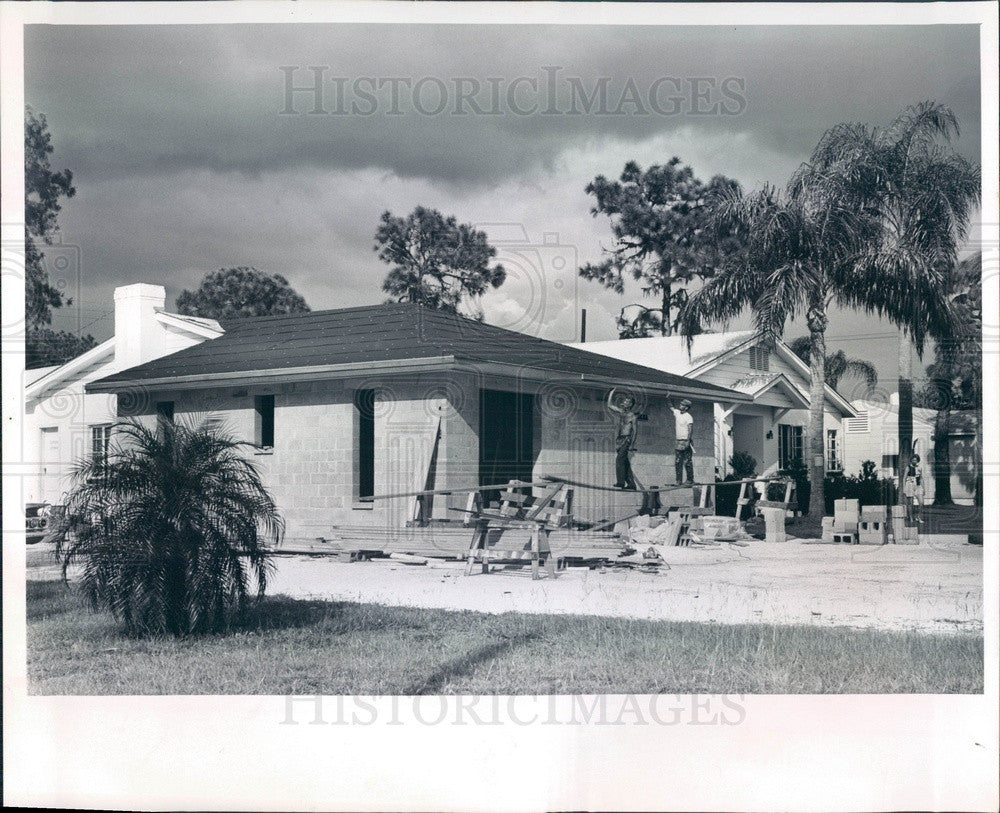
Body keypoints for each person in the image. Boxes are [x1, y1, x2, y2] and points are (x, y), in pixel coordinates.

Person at [607, 388, 638, 489]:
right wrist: (611, 393)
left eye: (627, 401)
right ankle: (631, 484)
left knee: (619, 460)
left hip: (626, 439)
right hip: (619, 440)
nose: (624, 402)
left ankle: (620, 482)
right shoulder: (621, 412)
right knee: (625, 462)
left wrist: (632, 444)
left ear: (630, 405)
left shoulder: (632, 416)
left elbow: (635, 431)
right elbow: (609, 405)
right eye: (624, 401)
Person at [668, 395, 695, 485]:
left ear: (686, 407)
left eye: (682, 405)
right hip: (678, 441)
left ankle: (690, 480)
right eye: (680, 404)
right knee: (678, 462)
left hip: (685, 440)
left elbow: (690, 429)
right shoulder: (677, 413)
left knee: (687, 462)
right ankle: (678, 480)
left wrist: (688, 440)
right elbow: (671, 406)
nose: (680, 405)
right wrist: (668, 397)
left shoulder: (688, 416)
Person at [903, 451, 925, 524]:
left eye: (916, 460)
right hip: (910, 484)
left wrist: (923, 488)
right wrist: (904, 488)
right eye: (913, 460)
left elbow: (921, 478)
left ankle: (919, 517)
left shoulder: (919, 468)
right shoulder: (908, 467)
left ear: (918, 460)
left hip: (918, 486)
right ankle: (911, 517)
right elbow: (904, 478)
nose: (914, 461)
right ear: (911, 460)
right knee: (910, 503)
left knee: (921, 502)